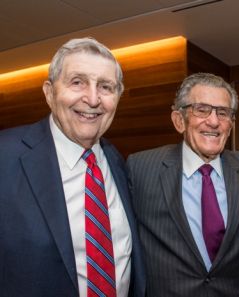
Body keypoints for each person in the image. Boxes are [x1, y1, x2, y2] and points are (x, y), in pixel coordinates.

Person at [0, 37, 146, 297]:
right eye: (77, 82)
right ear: (49, 92)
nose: (92, 99)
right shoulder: (6, 156)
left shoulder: (118, 162)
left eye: (105, 87)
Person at [127, 72, 239, 296]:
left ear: (231, 124)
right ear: (179, 120)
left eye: (223, 113)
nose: (213, 121)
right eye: (201, 109)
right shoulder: (141, 168)